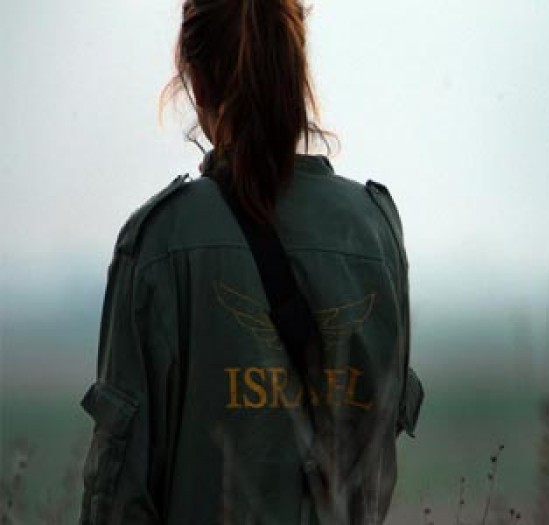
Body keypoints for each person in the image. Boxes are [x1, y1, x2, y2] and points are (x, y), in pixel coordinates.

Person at [77, 1, 423, 524]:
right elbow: (378, 458)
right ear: (295, 75)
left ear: (195, 82)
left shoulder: (163, 239)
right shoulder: (375, 230)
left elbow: (119, 492)